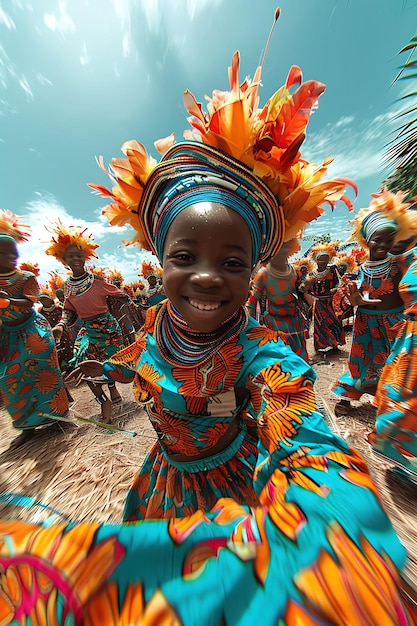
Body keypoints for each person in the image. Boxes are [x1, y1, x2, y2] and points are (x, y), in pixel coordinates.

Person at [0, 35, 413, 624]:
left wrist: (336, 514)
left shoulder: (265, 357)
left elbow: (309, 443)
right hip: (164, 486)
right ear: (159, 258)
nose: (207, 277)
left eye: (234, 262)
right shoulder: (152, 325)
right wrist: (106, 366)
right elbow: (144, 358)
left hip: (236, 494)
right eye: (185, 256)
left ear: (255, 271)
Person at [333, 190, 416, 417]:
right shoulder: (358, 272)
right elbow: (343, 300)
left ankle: (391, 403)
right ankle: (347, 397)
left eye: (389, 239)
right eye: (376, 239)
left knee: (395, 361)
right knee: (360, 362)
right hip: (365, 323)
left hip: (394, 322)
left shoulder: (400, 263)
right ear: (366, 240)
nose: (382, 244)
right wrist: (354, 301)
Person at [45, 221, 127, 423]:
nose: (76, 259)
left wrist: (124, 298)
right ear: (64, 260)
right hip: (88, 331)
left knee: (111, 366)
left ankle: (114, 389)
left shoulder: (96, 280)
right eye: (71, 256)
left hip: (108, 330)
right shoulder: (68, 286)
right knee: (86, 366)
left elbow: (119, 294)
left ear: (85, 258)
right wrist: (61, 326)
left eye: (79, 255)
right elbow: (69, 311)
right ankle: (104, 403)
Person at [0, 210, 69, 437]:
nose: (11, 256)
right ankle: (27, 427)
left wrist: (7, 300)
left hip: (32, 332)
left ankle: (57, 417)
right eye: (3, 252)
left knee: (44, 372)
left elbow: (29, 303)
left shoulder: (25, 278)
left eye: (13, 252)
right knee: (11, 378)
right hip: (7, 337)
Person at [246, 237, 309, 362]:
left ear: (290, 249)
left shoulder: (295, 271)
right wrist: (252, 329)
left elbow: (301, 290)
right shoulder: (263, 274)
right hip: (275, 319)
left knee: (300, 354)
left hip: (294, 318)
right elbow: (252, 303)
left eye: (284, 247)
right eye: (277, 249)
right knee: (281, 355)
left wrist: (307, 284)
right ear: (270, 251)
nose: (281, 252)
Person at [303, 241, 346, 353]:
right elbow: (305, 290)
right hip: (318, 303)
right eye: (320, 259)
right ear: (316, 260)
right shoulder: (311, 275)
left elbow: (339, 283)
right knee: (320, 324)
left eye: (325, 259)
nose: (323, 262)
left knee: (334, 322)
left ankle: (335, 343)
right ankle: (322, 345)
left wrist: (336, 289)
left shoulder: (332, 270)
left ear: (329, 260)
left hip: (331, 302)